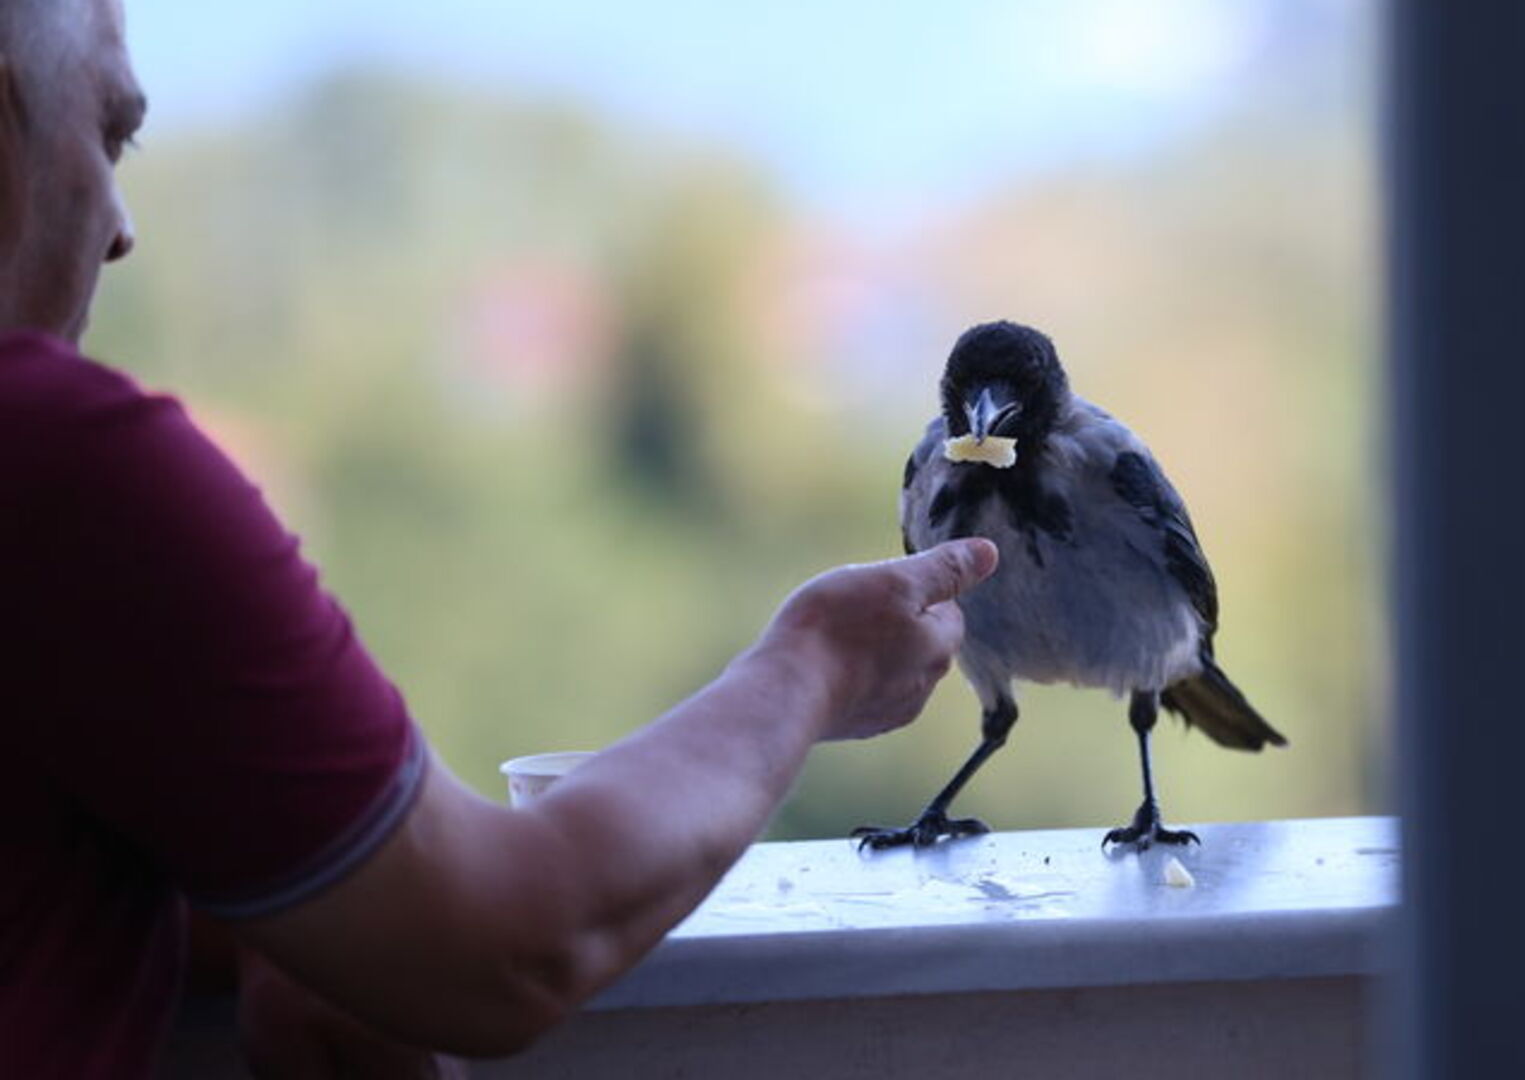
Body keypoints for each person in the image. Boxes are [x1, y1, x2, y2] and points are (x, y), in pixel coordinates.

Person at [0, 1, 1000, 1076]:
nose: (120, 223)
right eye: (110, 135)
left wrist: (314, 912)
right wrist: (815, 661)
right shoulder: (54, 454)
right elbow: (512, 943)